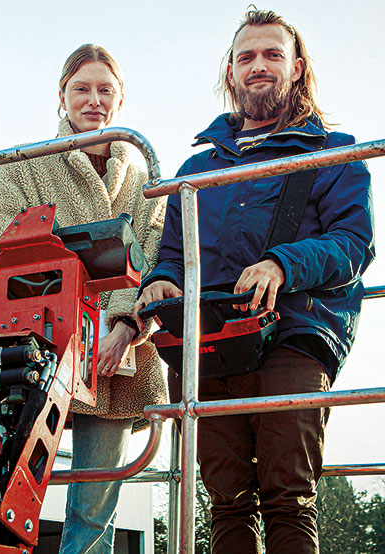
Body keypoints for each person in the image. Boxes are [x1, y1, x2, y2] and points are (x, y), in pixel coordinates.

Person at [133, 9, 375, 554]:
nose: (258, 66)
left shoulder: (337, 153)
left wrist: (282, 264)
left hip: (294, 335)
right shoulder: (196, 170)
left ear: (297, 67)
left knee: (288, 496)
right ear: (230, 74)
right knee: (226, 501)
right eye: (246, 57)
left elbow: (355, 243)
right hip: (211, 343)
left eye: (271, 54)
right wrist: (162, 282)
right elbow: (173, 252)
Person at [0, 44, 167, 553]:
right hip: (34, 338)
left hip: (117, 351)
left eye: (105, 90)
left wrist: (125, 326)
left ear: (121, 99)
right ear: (61, 96)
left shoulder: (147, 173)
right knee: (9, 484)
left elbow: (155, 258)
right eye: (81, 88)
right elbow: (3, 247)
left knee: (93, 505)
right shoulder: (25, 165)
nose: (93, 101)